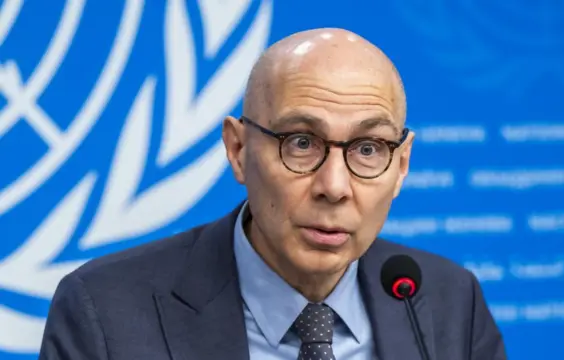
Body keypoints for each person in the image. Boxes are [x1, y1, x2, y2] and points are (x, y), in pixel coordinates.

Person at [39, 28, 507, 360]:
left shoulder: (448, 301)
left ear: (401, 165)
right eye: (301, 143)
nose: (334, 187)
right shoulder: (105, 312)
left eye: (368, 148)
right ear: (238, 149)